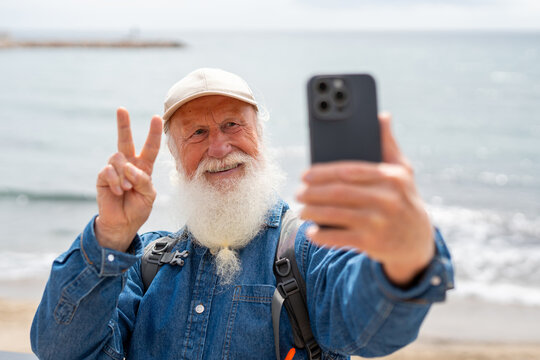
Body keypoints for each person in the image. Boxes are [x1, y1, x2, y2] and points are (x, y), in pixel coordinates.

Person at [31, 68, 453, 360]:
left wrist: (407, 255)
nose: (218, 147)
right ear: (176, 159)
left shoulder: (307, 249)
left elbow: (372, 329)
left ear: (260, 136)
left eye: (233, 125)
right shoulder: (145, 263)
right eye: (197, 133)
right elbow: (59, 348)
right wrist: (110, 236)